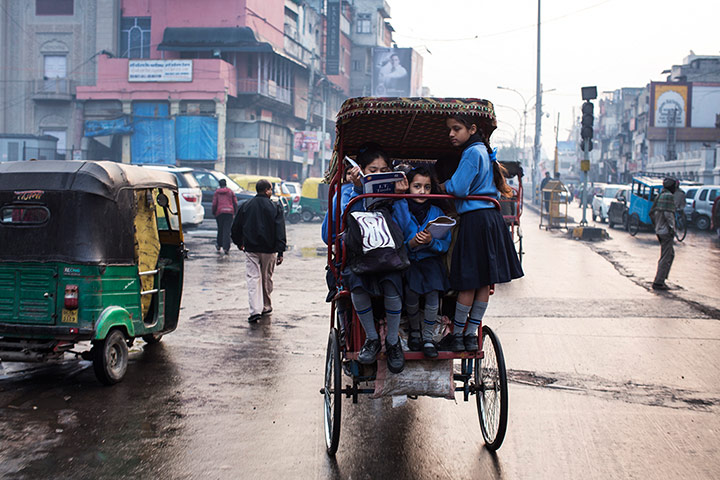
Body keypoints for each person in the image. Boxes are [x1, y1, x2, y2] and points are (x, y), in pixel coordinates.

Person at [441, 115, 524, 352]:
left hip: (475, 220)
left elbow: (458, 188)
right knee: (482, 284)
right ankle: (470, 333)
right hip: (491, 220)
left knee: (468, 281)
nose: (452, 134)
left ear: (472, 129)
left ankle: (458, 334)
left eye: (456, 129)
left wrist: (445, 185)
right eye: (450, 130)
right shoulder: (483, 152)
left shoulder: (471, 153)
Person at [328, 143, 408, 374]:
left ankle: (393, 342)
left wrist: (400, 198)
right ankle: (371, 339)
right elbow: (329, 234)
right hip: (357, 257)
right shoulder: (346, 192)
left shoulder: (396, 194)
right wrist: (357, 193)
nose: (379, 176)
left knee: (393, 279)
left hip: (389, 255)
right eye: (373, 170)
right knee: (355, 281)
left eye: (385, 171)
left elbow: (404, 230)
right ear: (361, 169)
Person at [392, 166, 451, 358]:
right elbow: (396, 240)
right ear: (408, 187)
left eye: (427, 187)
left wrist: (431, 241)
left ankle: (428, 338)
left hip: (431, 261)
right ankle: (415, 331)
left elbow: (444, 244)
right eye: (417, 186)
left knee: (433, 293)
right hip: (408, 260)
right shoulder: (401, 208)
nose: (422, 191)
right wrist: (411, 243)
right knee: (411, 292)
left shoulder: (437, 211)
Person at [231, 179, 286, 322]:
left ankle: (255, 310)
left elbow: (236, 227)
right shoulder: (275, 207)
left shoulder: (246, 206)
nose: (271, 192)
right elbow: (280, 231)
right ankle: (266, 306)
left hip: (251, 248)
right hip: (269, 250)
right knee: (266, 277)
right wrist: (280, 251)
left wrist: (239, 243)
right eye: (271, 189)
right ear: (267, 190)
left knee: (253, 278)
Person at [649, 178, 677, 291]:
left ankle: (662, 278)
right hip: (666, 231)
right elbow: (668, 215)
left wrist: (657, 226)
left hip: (659, 230)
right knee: (666, 257)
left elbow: (652, 213)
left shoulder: (660, 196)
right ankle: (659, 282)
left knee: (670, 255)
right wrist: (672, 229)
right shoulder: (668, 196)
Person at [212, 179, 237, 255]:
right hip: (229, 212)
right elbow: (235, 202)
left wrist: (214, 212)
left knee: (220, 229)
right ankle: (226, 247)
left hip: (219, 212)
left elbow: (214, 203)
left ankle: (219, 244)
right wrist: (235, 211)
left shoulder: (217, 192)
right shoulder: (230, 192)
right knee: (227, 230)